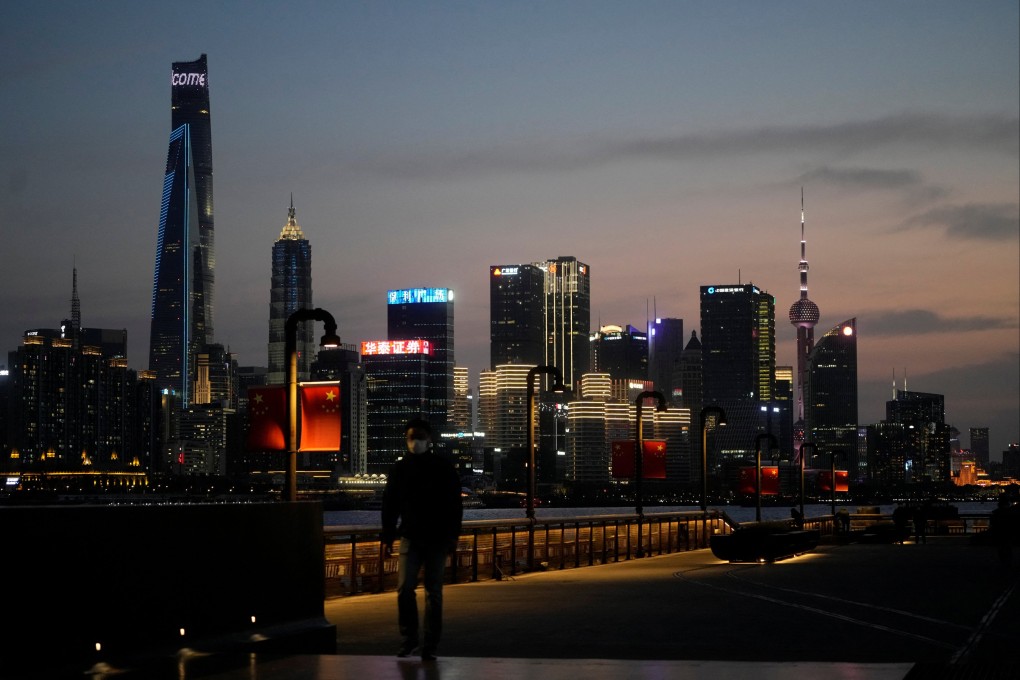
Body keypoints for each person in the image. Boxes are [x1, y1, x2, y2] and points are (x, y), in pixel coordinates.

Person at [382, 418, 463, 661]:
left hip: (436, 538)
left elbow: (453, 505)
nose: (415, 442)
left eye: (418, 437)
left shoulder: (442, 467)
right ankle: (410, 640)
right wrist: (388, 535)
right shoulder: (400, 469)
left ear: (429, 440)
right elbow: (390, 504)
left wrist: (452, 536)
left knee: (432, 592)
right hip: (412, 536)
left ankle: (428, 644)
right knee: (405, 589)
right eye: (411, 437)